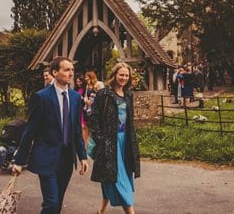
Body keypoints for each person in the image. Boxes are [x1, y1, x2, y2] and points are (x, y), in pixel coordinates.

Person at [13, 57, 89, 213]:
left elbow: (76, 130)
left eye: (72, 70)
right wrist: (19, 161)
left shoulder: (75, 97)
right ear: (55, 72)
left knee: (58, 202)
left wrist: (82, 156)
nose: (71, 73)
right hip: (46, 158)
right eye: (66, 70)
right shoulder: (42, 97)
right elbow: (30, 131)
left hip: (67, 159)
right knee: (51, 203)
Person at [88, 62, 141, 214]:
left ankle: (101, 210)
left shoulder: (129, 94)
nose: (124, 78)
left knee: (110, 177)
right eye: (121, 75)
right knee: (118, 178)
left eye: (126, 75)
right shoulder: (104, 94)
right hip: (110, 142)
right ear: (114, 75)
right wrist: (100, 139)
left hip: (126, 142)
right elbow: (94, 116)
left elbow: (130, 120)